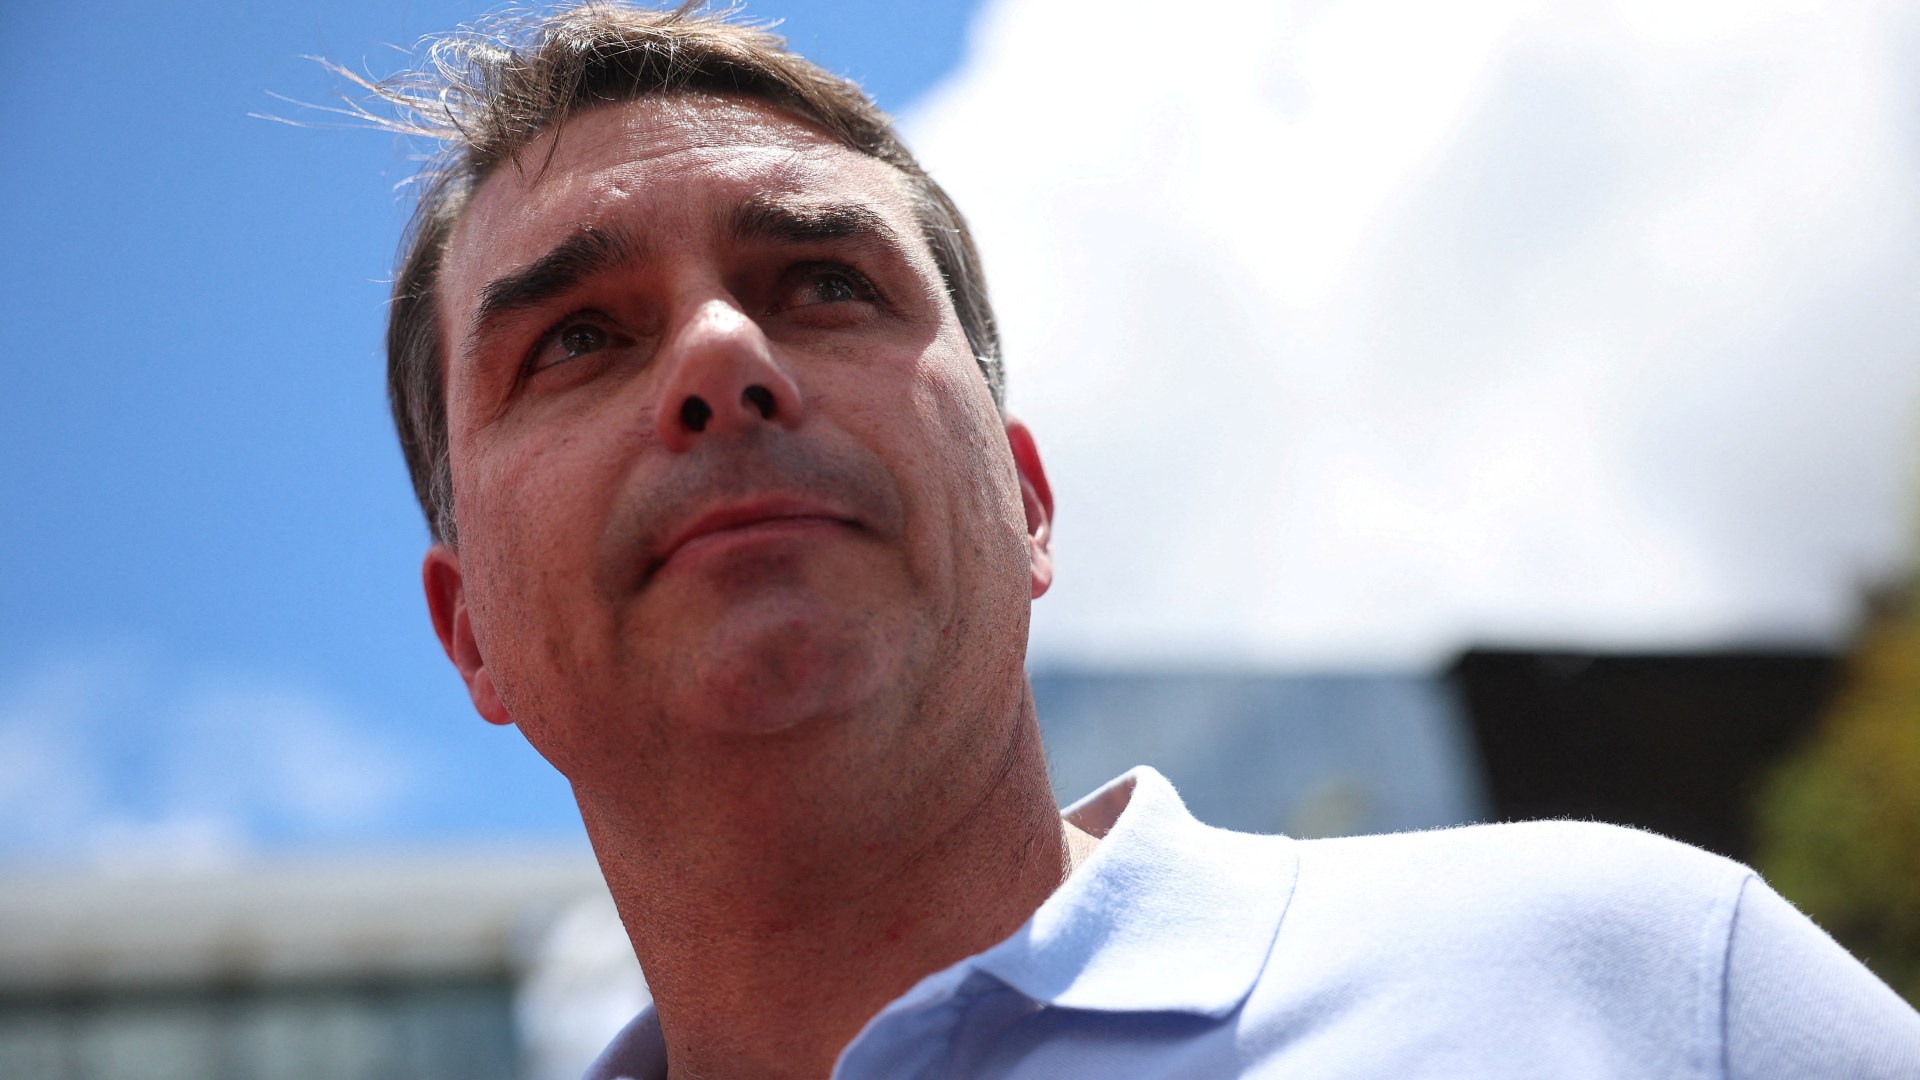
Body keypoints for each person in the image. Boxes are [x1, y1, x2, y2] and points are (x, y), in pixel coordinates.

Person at [364, 4, 1920, 1077]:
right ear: (468, 633)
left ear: (1028, 502)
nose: (721, 354)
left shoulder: (1635, 984)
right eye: (575, 339)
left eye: (825, 283)